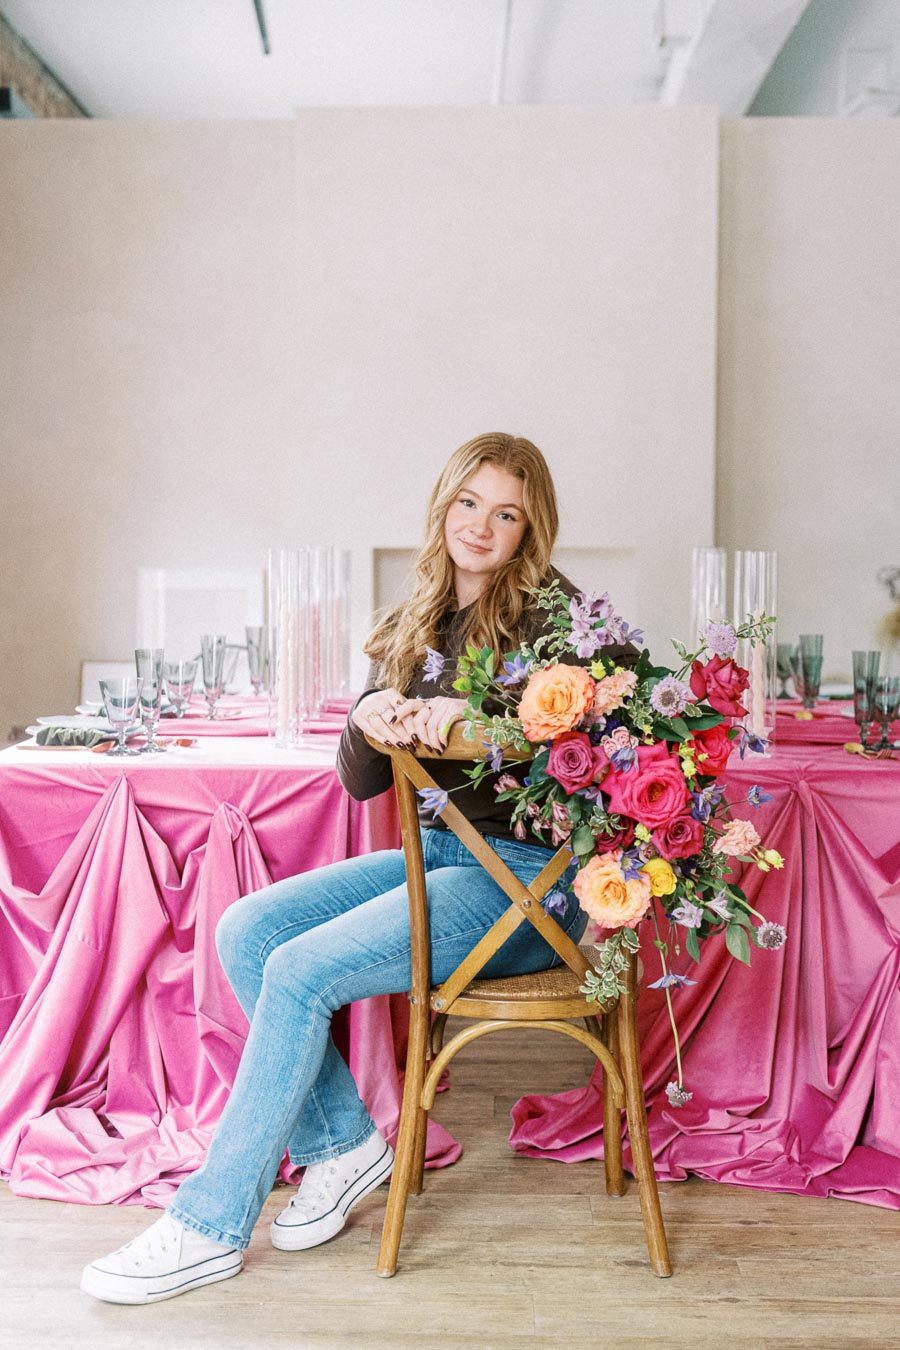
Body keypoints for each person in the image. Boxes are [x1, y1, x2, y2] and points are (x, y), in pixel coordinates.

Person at [81, 432, 633, 1305]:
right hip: (450, 858)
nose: (481, 529)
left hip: (532, 883)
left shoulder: (555, 617)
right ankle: (344, 1145)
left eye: (506, 515)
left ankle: (210, 1225)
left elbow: (598, 746)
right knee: (247, 930)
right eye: (468, 504)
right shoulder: (423, 611)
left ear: (531, 531)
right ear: (443, 503)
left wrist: (467, 722)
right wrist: (373, 708)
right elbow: (360, 777)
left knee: (300, 972)